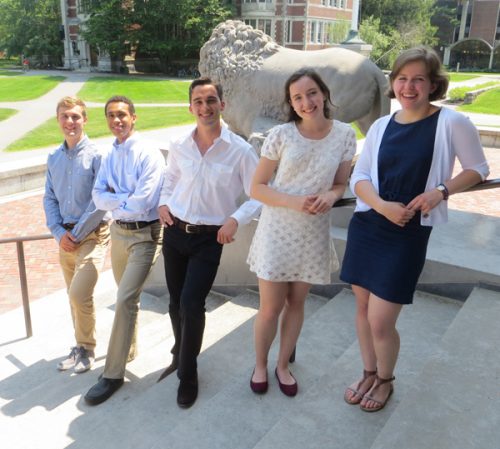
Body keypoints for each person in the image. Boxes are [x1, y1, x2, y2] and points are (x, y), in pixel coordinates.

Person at [341, 47, 490, 412]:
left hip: (407, 232)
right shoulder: (381, 125)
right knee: (361, 307)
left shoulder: (452, 123)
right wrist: (381, 206)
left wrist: (440, 192)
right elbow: (358, 176)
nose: (409, 86)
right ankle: (368, 372)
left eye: (418, 79)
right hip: (369, 225)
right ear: (393, 83)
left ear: (433, 84)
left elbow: (478, 168)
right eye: (402, 78)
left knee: (380, 320)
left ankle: (386, 380)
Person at [247, 68, 356, 396]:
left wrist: (332, 195)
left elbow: (340, 183)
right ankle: (260, 365)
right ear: (291, 104)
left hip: (312, 232)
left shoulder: (345, 135)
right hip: (278, 229)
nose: (306, 102)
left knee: (297, 302)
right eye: (297, 97)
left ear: (323, 93)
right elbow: (257, 187)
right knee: (270, 307)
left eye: (311, 93)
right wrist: (293, 202)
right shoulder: (281, 135)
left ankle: (283, 365)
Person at [157, 77, 261, 408]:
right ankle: (179, 351)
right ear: (191, 107)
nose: (205, 107)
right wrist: (163, 201)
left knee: (191, 303)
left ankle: (188, 374)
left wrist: (235, 220)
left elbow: (258, 194)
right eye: (199, 102)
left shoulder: (240, 151)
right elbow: (171, 177)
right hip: (174, 231)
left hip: (208, 239)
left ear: (222, 105)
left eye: (211, 100)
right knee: (174, 302)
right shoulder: (178, 144)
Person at [84, 96, 164, 405]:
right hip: (119, 234)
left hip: (146, 235)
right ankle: (128, 348)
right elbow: (97, 195)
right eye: (110, 116)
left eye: (122, 115)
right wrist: (122, 199)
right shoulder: (109, 154)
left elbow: (143, 202)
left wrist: (115, 198)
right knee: (126, 297)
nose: (116, 120)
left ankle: (112, 374)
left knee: (125, 298)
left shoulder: (148, 154)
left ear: (134, 117)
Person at [44, 96, 110, 374]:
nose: (70, 122)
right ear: (58, 119)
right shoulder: (53, 158)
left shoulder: (97, 155)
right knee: (73, 296)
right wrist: (59, 232)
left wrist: (78, 234)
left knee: (79, 293)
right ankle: (80, 347)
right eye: (64, 116)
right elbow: (49, 198)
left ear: (85, 119)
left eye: (75, 116)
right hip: (65, 239)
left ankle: (88, 348)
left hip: (93, 235)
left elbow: (100, 201)